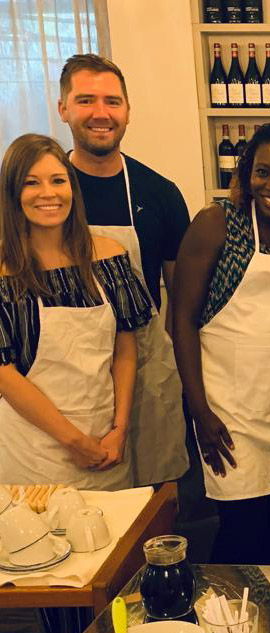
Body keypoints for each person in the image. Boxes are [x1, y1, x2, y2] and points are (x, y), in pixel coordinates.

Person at [173, 121, 270, 565]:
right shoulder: (217, 223)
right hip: (231, 415)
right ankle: (229, 613)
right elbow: (181, 321)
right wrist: (199, 411)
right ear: (246, 173)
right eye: (263, 172)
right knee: (241, 537)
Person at [58, 54, 188, 487]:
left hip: (146, 366)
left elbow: (182, 296)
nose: (101, 113)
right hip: (65, 375)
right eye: (86, 100)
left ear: (128, 110)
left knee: (154, 495)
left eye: (112, 101)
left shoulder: (160, 193)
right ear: (63, 109)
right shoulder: (43, 193)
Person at [0, 134, 152, 487]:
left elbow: (124, 349)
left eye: (58, 180)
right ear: (12, 193)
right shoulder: (5, 271)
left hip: (107, 443)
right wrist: (72, 441)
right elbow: (4, 373)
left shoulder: (109, 257)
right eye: (31, 183)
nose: (48, 193)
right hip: (33, 452)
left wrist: (119, 428)